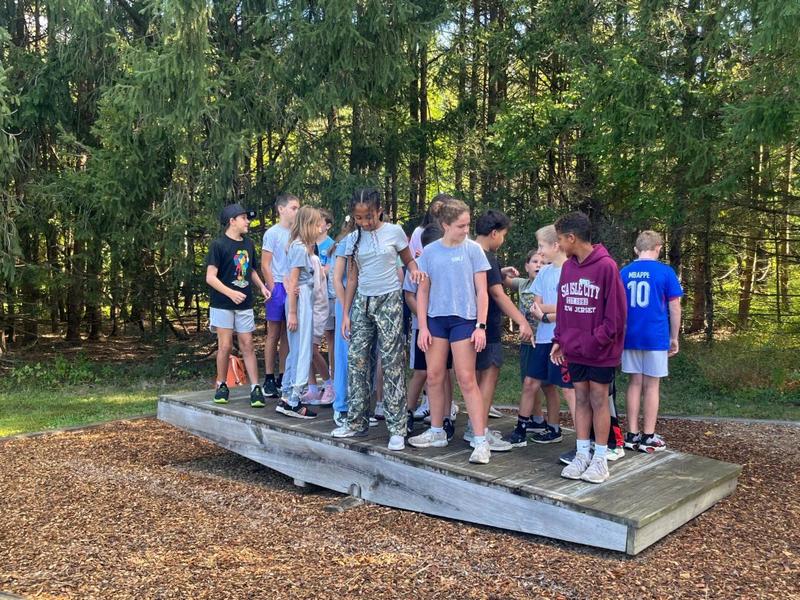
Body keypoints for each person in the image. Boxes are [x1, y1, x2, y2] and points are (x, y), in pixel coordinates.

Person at [331, 188, 424, 451]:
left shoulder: (393, 232)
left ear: (379, 210)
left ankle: (397, 427)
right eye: (359, 218)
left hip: (389, 300)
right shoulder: (353, 239)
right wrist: (346, 313)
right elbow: (352, 277)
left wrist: (415, 272)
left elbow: (409, 261)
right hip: (362, 301)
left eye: (369, 216)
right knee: (357, 360)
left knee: (393, 362)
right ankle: (356, 420)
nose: (365, 222)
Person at [408, 200, 497, 464]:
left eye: (468, 224)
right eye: (461, 226)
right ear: (445, 225)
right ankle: (436, 431)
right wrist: (422, 326)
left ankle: (480, 441)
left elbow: (482, 291)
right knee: (434, 376)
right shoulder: (430, 252)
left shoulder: (473, 251)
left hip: (464, 320)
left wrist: (480, 326)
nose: (466, 230)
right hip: (436, 319)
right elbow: (422, 291)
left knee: (466, 378)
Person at [551, 211, 626, 484]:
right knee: (580, 398)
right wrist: (560, 339)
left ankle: (600, 459)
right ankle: (582, 453)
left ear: (572, 238)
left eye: (560, 239)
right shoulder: (568, 267)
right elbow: (563, 306)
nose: (558, 245)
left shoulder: (606, 267)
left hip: (600, 351)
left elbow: (616, 317)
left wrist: (595, 341)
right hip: (575, 349)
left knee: (599, 399)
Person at [468, 210, 532, 451]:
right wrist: (521, 320)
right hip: (488, 325)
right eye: (503, 235)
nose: (503, 240)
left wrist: (500, 271)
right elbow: (496, 293)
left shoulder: (467, 251)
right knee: (489, 373)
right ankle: (479, 431)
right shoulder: (487, 257)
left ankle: (474, 427)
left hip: (467, 323)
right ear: (493, 233)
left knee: (473, 377)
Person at [621, 230, 683, 453]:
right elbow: (674, 307)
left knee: (634, 383)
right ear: (658, 247)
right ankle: (648, 435)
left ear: (636, 249)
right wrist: (674, 337)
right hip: (655, 336)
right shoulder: (665, 272)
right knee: (652, 385)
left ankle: (631, 434)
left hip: (630, 336)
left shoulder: (625, 272)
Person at [205, 203, 270, 408]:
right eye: (243, 218)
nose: (248, 222)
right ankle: (222, 384)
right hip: (223, 303)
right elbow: (210, 277)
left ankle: (255, 388)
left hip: (245, 303)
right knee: (225, 346)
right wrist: (230, 293)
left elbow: (249, 270)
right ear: (232, 221)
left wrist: (262, 286)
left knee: (248, 344)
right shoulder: (218, 245)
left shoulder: (248, 244)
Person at [403, 223, 457, 439]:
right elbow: (409, 295)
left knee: (444, 372)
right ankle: (406, 412)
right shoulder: (416, 265)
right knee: (422, 372)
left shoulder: (451, 264)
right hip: (423, 328)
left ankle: (445, 417)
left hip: (446, 328)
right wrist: (424, 317)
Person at [276, 206, 323, 418]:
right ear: (308, 225)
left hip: (302, 297)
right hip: (300, 300)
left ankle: (286, 395)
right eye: (317, 224)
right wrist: (293, 312)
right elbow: (293, 280)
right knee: (302, 348)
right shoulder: (299, 248)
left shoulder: (301, 247)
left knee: (297, 349)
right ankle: (294, 399)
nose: (320, 227)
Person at [261, 193, 300, 398]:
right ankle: (268, 376)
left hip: (292, 286)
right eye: (293, 208)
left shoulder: (297, 233)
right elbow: (265, 263)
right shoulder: (273, 233)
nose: (296, 211)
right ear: (281, 209)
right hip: (277, 285)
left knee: (288, 333)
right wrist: (271, 287)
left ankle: (283, 375)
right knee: (274, 332)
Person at [508, 249, 548, 442]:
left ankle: (544, 423)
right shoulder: (522, 284)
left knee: (542, 384)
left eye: (543, 262)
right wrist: (506, 270)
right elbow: (498, 279)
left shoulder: (547, 285)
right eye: (534, 261)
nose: (538, 265)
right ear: (526, 266)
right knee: (528, 382)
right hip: (526, 342)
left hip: (542, 341)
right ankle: (538, 419)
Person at [303, 209, 336, 405]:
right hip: (308, 300)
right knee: (307, 345)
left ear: (327, 225)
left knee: (328, 339)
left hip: (328, 297)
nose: (317, 226)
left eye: (320, 222)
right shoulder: (308, 244)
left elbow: (329, 270)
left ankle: (331, 381)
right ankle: (312, 386)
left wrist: (318, 270)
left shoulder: (332, 245)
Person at [330, 217, 356, 427]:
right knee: (345, 353)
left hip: (366, 302)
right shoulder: (345, 243)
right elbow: (337, 279)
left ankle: (359, 404)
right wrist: (345, 309)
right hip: (346, 304)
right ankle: (341, 406)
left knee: (364, 356)